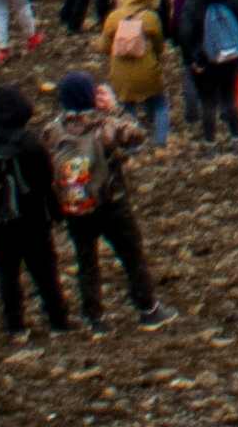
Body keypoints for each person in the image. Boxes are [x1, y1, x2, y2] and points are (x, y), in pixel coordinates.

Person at [47, 75, 160, 328]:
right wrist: (115, 108)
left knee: (86, 261)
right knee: (131, 255)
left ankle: (94, 316)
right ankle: (148, 308)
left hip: (75, 205)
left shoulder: (53, 131)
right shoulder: (104, 125)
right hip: (111, 202)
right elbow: (138, 136)